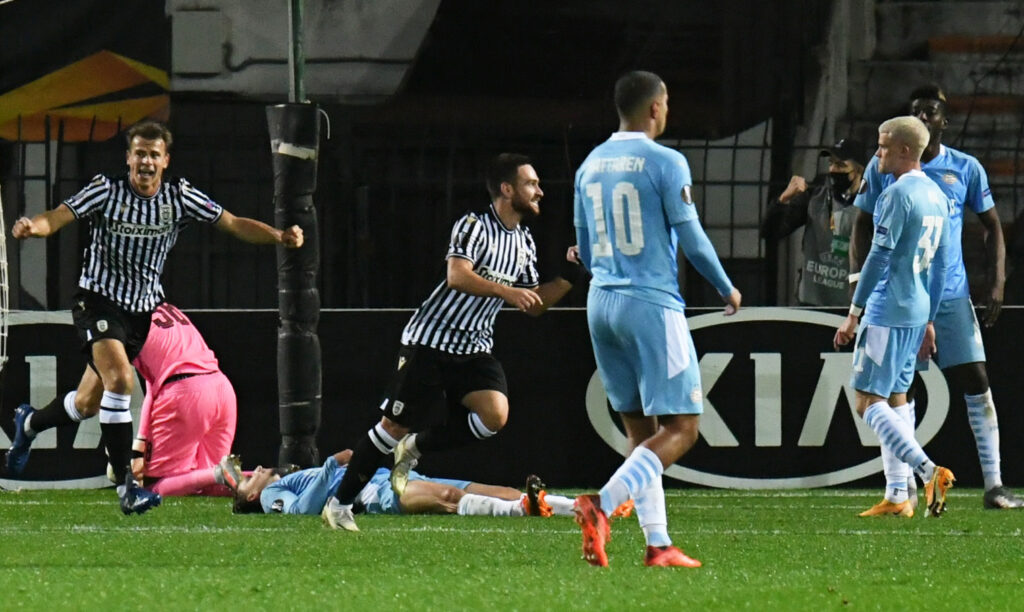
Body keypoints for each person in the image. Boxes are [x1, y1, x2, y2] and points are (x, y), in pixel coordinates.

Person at [5, 120, 303, 514]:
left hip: (143, 312)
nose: (146, 162)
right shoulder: (106, 190)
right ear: (128, 158)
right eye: (139, 153)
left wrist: (279, 236)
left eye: (154, 154)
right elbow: (60, 215)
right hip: (98, 302)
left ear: (165, 160)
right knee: (121, 380)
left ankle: (28, 425)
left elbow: (232, 223)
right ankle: (127, 486)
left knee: (87, 402)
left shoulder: (179, 197)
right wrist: (34, 226)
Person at [319, 153, 578, 532]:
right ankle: (339, 505)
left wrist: (572, 274)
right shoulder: (474, 225)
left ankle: (416, 447)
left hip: (473, 346)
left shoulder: (523, 241)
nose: (539, 190)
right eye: (531, 183)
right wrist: (507, 291)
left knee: (495, 416)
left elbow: (534, 305)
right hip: (431, 340)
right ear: (507, 189)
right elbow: (458, 276)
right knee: (392, 426)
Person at [571, 71, 742, 568]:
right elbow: (691, 236)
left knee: (640, 433)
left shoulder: (589, 164)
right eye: (666, 104)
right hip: (650, 303)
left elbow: (581, 246)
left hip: (601, 303)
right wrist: (724, 285)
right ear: (655, 107)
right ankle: (601, 504)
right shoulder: (665, 161)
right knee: (683, 427)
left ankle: (658, 543)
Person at [850, 85, 1023, 511]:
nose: (925, 117)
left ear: (944, 121)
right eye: (917, 112)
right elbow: (862, 226)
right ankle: (902, 488)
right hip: (905, 297)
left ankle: (991, 483)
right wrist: (859, 285)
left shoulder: (963, 168)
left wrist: (996, 280)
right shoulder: (883, 165)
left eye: (932, 112)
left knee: (971, 380)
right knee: (896, 393)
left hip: (943, 296)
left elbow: (992, 225)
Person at [835, 116, 954, 518]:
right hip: (917, 309)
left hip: (888, 309)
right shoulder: (939, 196)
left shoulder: (897, 195)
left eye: (884, 146)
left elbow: (879, 255)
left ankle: (927, 470)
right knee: (897, 396)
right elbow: (940, 267)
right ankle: (898, 495)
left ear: (905, 150)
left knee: (867, 401)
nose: (877, 153)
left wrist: (854, 312)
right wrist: (931, 318)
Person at [231, 448, 634, 521]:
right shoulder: (271, 496)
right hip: (377, 494)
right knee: (450, 498)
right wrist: (331, 466)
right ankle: (527, 509)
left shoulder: (281, 481)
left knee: (487, 488)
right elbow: (302, 512)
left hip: (390, 477)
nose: (261, 468)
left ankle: (584, 506)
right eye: (251, 477)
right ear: (251, 494)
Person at [129, 301, 243, 497]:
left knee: (153, 485)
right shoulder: (167, 307)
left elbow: (146, 386)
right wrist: (139, 443)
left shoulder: (126, 319)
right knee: (214, 487)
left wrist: (139, 445)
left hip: (185, 392)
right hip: (221, 387)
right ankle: (274, 477)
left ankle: (218, 472)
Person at [760, 139, 867, 305]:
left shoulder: (872, 204)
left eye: (840, 165)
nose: (833, 170)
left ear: (859, 169)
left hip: (850, 308)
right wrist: (783, 199)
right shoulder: (816, 195)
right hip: (811, 303)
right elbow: (771, 232)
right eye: (831, 164)